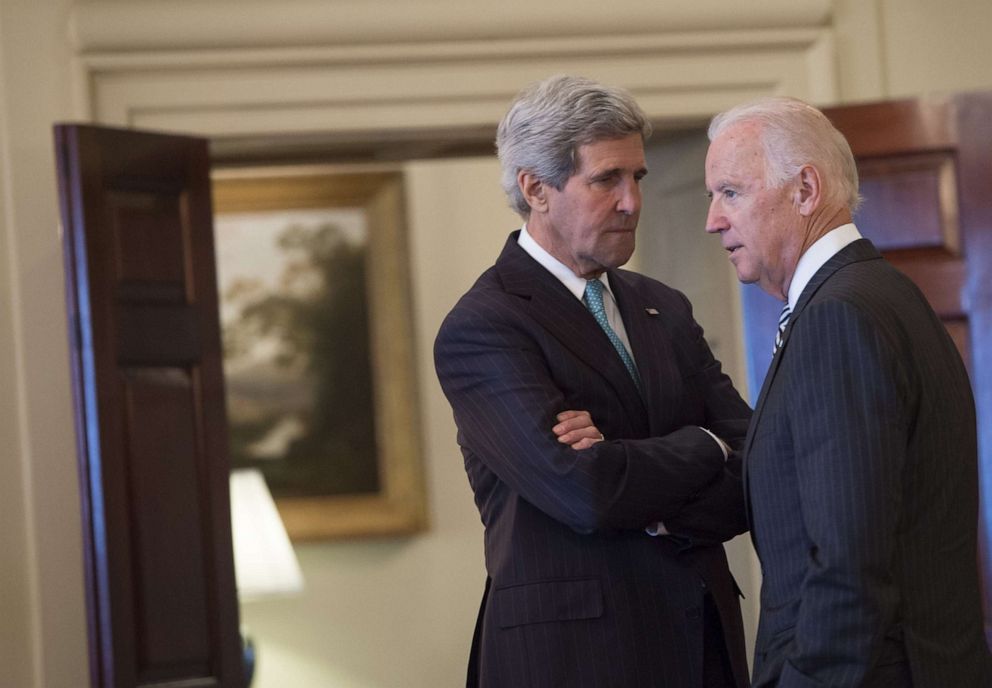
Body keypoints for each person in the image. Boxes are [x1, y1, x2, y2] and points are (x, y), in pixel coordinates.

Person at [434, 74, 753, 688]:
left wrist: (632, 465)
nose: (632, 201)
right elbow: (586, 493)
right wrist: (704, 445)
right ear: (536, 189)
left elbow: (756, 462)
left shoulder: (664, 306)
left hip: (699, 642)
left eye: (638, 178)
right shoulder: (485, 324)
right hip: (575, 660)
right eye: (607, 179)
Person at [704, 96, 992, 687]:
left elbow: (848, 566)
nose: (712, 219)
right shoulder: (880, 293)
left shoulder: (840, 317)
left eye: (730, 192)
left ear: (805, 189)